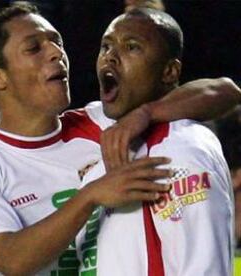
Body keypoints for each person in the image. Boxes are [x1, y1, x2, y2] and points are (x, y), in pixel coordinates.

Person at [0, 3, 240, 275]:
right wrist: (91, 195)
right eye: (34, 48)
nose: (56, 53)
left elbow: (226, 91)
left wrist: (147, 112)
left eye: (56, 42)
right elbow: (13, 260)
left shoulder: (107, 122)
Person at [80, 8, 234, 275]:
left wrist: (147, 112)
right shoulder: (101, 138)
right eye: (106, 46)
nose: (110, 57)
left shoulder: (181, 151)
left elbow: (204, 269)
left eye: (132, 47)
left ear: (169, 72)